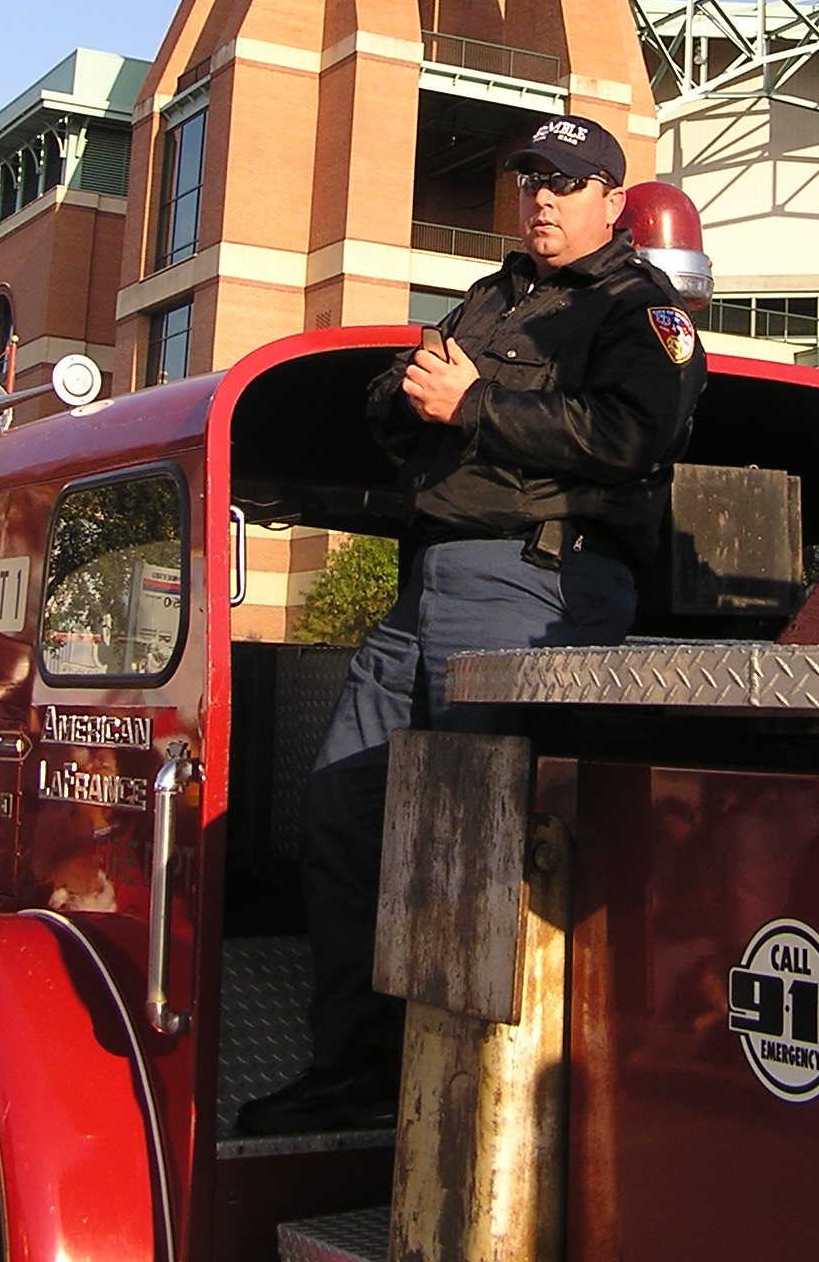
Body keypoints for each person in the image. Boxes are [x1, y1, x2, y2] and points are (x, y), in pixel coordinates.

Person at [238, 115, 706, 1136]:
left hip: (538, 581)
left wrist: (473, 401)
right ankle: (361, 1063)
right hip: (428, 584)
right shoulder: (494, 296)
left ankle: (479, 1100)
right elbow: (395, 398)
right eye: (530, 175)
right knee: (344, 813)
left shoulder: (643, 311)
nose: (540, 195)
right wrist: (411, 396)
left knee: (477, 842)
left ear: (612, 201)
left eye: (566, 181)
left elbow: (638, 436)